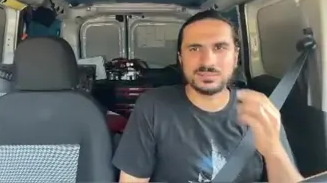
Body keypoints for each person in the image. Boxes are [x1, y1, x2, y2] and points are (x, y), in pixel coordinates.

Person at [113, 9, 302, 183]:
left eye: (220, 47)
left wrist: (273, 150)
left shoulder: (258, 108)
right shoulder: (153, 106)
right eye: (194, 49)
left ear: (235, 56)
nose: (207, 61)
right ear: (180, 58)